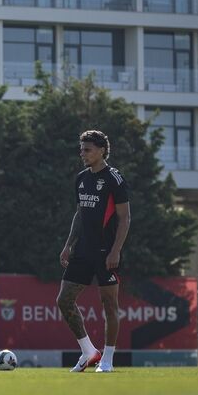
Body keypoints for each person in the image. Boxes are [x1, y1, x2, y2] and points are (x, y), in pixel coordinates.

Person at [57, 130, 130, 373]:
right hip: (82, 251)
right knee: (64, 300)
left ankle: (107, 360)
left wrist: (115, 251)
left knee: (109, 304)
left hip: (106, 252)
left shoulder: (114, 179)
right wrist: (68, 244)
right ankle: (89, 351)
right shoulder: (81, 178)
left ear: (101, 151)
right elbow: (80, 214)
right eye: (81, 149)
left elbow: (125, 218)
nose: (82, 153)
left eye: (87, 149)